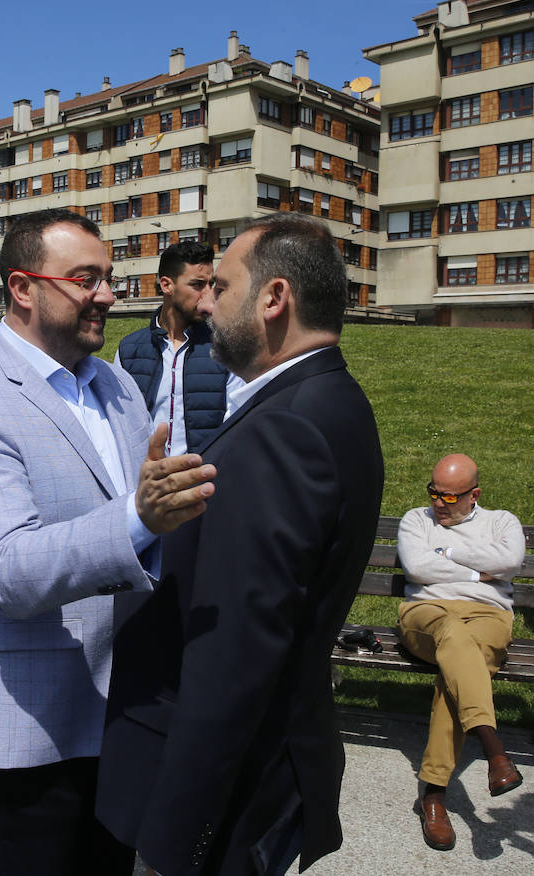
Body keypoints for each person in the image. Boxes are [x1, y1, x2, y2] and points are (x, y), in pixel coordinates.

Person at [0, 208, 215, 876]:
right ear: (24, 288)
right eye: (87, 279)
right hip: (25, 728)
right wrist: (141, 517)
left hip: (122, 710)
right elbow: (9, 571)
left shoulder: (112, 383)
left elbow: (150, 525)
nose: (108, 294)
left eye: (108, 277)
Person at [96, 212, 384, 876]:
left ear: (274, 299)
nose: (206, 302)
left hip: (222, 800)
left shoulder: (285, 429)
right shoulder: (328, 399)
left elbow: (235, 657)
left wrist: (173, 842)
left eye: (221, 286)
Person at [397, 454, 525, 852]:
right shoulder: (416, 520)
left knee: (456, 666)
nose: (439, 503)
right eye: (434, 493)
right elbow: (417, 567)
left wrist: (446, 553)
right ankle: (493, 750)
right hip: (427, 613)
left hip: (488, 616)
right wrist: (476, 571)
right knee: (453, 635)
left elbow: (509, 562)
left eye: (450, 498)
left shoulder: (501, 521)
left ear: (475, 495)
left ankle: (432, 794)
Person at [115, 241, 242, 455]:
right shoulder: (129, 351)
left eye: (211, 284)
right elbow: (118, 424)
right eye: (197, 284)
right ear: (167, 285)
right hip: (148, 482)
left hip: (203, 482)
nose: (208, 294)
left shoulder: (227, 349)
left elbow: (236, 425)